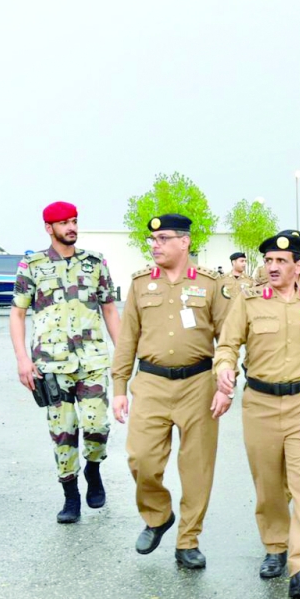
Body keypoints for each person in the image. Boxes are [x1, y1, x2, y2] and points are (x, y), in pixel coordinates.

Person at [214, 230, 300, 598]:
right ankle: (275, 545)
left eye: (281, 262)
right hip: (261, 403)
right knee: (269, 482)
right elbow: (228, 344)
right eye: (268, 261)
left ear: (298, 266)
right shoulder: (248, 300)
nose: (272, 267)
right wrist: (224, 368)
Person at [111, 214, 230, 569]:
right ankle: (158, 515)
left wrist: (226, 381)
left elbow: (230, 337)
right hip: (150, 382)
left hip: (199, 384)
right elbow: (127, 338)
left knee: (196, 467)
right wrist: (119, 387)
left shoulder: (211, 284)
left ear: (185, 242)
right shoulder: (140, 283)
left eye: (163, 238)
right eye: (153, 240)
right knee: (141, 458)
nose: (155, 245)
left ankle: (188, 540)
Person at [10, 201, 121, 523]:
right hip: (50, 364)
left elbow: (110, 310)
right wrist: (22, 360)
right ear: (49, 228)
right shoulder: (31, 266)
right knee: (63, 432)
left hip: (92, 360)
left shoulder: (95, 263)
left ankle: (94, 469)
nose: (71, 227)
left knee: (98, 426)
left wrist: (124, 354)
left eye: (74, 221)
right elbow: (17, 314)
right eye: (64, 223)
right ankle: (70, 495)